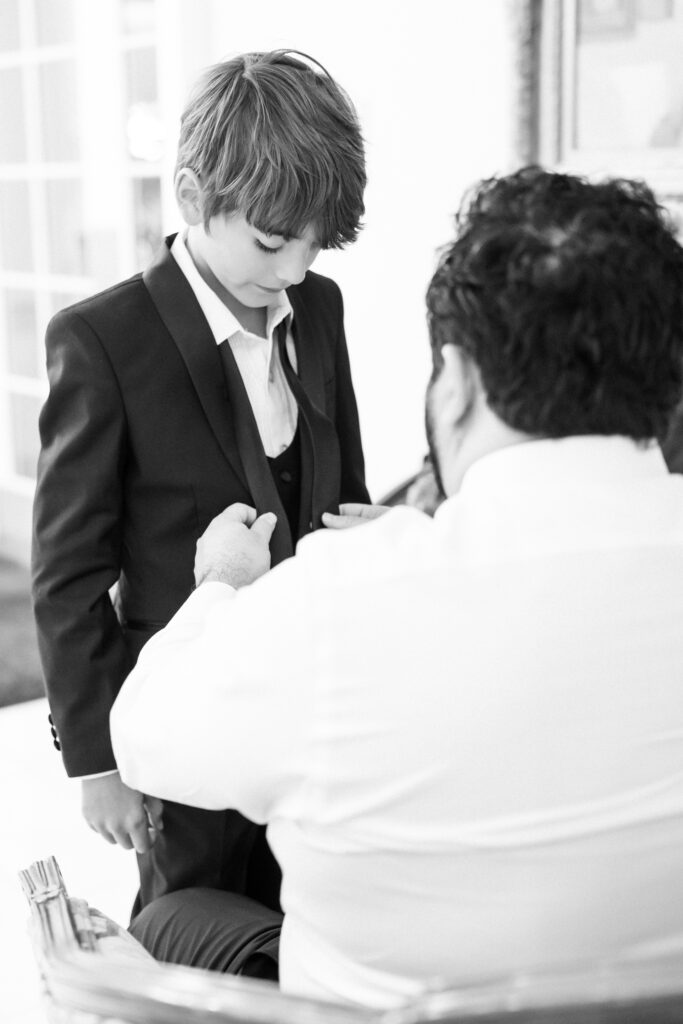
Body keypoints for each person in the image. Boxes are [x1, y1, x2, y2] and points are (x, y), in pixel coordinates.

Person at [110, 167, 683, 1007]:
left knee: (173, 919)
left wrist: (221, 588)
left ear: (455, 382)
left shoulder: (333, 608)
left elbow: (145, 736)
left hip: (363, 1009)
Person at [31, 49, 369, 946]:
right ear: (191, 196)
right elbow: (67, 575)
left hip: (314, 719)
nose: (294, 268)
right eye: (272, 241)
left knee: (303, 933)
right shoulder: (103, 340)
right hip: (183, 729)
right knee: (185, 935)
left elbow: (348, 491)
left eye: (315, 244)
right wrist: (100, 761)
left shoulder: (321, 309)